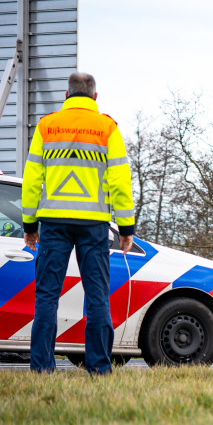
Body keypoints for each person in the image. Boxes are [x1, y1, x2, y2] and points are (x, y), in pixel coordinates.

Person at [22, 72, 134, 375]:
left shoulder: (47, 126)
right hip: (94, 224)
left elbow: (32, 180)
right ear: (95, 98)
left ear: (67, 95)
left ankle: (42, 368)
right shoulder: (107, 128)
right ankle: (99, 367)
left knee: (47, 295)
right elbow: (121, 181)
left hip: (54, 223)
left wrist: (29, 224)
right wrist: (126, 228)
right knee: (97, 295)